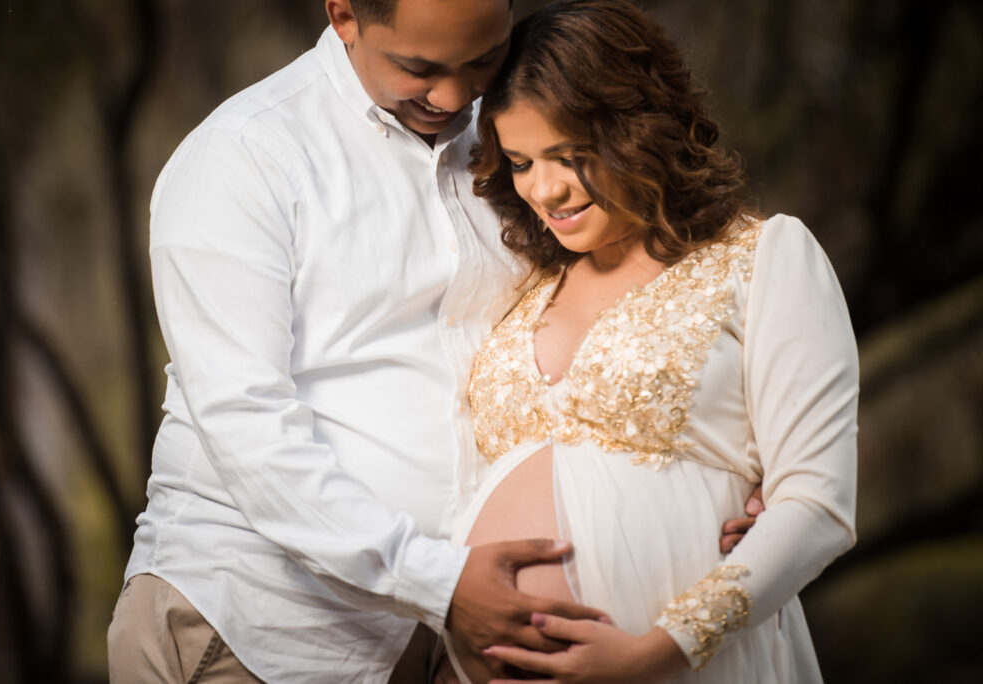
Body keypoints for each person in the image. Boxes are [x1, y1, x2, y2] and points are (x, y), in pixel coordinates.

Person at [107, 0, 762, 682]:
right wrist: (441, 584)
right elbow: (247, 427)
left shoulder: (524, 148)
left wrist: (741, 479)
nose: (452, 96)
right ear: (344, 15)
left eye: (481, 61)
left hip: (449, 650)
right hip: (259, 629)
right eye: (417, 67)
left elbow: (627, 325)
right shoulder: (244, 159)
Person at [435, 1, 859, 682]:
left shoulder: (762, 258)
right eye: (519, 161)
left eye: (569, 156)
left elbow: (818, 504)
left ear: (638, 129)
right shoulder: (523, 282)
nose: (545, 189)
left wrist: (658, 650)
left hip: (681, 664)